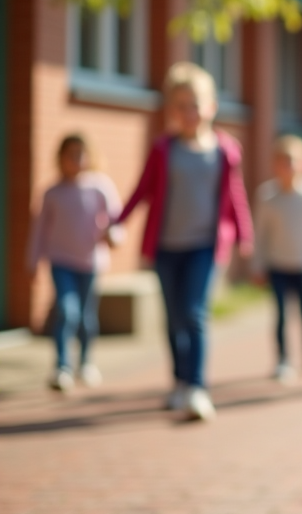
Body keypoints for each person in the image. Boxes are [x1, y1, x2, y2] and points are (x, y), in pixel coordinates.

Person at [114, 62, 253, 421]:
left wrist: (245, 234)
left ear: (211, 106)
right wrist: (118, 221)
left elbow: (235, 195)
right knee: (174, 318)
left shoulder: (225, 151)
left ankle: (197, 387)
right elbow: (142, 189)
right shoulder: (163, 149)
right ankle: (178, 381)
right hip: (166, 246)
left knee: (194, 313)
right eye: (180, 106)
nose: (189, 112)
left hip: (204, 245)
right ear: (171, 111)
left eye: (195, 104)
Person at [26, 134, 124, 392]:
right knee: (66, 310)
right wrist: (32, 260)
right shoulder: (52, 192)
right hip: (61, 260)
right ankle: (62, 366)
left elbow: (116, 219)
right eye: (70, 154)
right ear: (60, 158)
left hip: (90, 262)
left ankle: (86, 362)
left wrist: (114, 237)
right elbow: (39, 230)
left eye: (80, 154)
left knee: (86, 316)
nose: (76, 159)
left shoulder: (100, 187)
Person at [251, 135, 302, 383]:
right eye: (283, 161)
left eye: (294, 160)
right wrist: (257, 263)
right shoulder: (267, 196)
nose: (289, 166)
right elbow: (260, 233)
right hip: (278, 264)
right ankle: (283, 359)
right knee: (281, 314)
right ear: (275, 164)